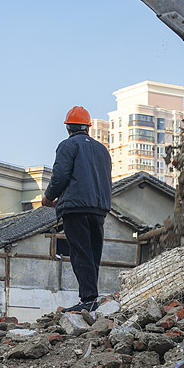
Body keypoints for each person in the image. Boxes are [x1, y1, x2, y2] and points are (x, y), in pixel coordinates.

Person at [42, 106, 112, 312]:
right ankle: (91, 298)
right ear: (88, 127)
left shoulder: (67, 145)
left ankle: (88, 299)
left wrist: (48, 198)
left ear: (68, 128)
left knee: (81, 253)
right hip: (98, 208)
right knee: (93, 254)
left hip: (76, 210)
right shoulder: (102, 150)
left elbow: (60, 176)